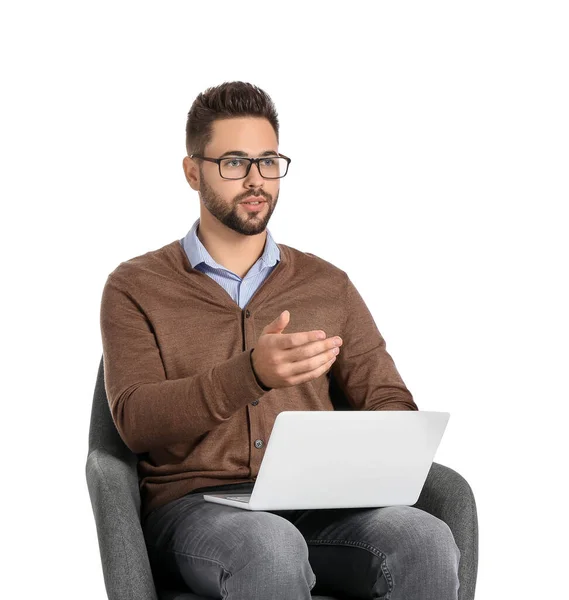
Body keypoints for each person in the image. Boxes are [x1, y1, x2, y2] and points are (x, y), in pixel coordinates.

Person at [100, 81, 460, 600]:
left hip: (320, 505)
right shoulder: (136, 285)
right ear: (192, 171)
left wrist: (391, 441)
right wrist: (251, 374)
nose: (255, 180)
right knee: (268, 546)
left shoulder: (326, 283)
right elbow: (135, 421)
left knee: (424, 539)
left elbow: (386, 396)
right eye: (234, 162)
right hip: (197, 509)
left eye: (269, 162)